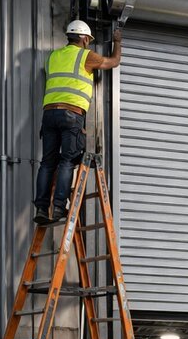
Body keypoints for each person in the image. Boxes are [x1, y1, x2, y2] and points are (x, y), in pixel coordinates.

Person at [34, 20, 122, 225]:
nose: (88, 43)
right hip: (71, 114)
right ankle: (58, 208)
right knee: (67, 160)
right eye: (88, 40)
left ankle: (40, 207)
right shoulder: (86, 56)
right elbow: (113, 62)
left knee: (47, 162)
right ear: (83, 38)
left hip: (49, 115)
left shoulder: (53, 57)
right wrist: (118, 42)